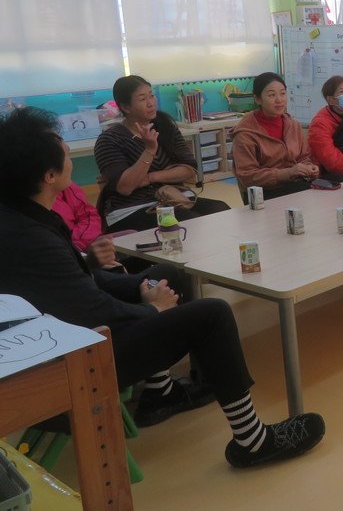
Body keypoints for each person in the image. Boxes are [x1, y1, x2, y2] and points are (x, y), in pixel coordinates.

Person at [0, 107, 325, 467]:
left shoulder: (21, 216)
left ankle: (161, 393)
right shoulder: (33, 239)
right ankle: (252, 440)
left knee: (170, 273)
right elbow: (92, 309)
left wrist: (98, 267)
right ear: (49, 175)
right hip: (79, 358)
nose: (70, 158)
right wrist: (151, 309)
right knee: (212, 314)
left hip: (70, 331)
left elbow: (73, 284)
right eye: (64, 152)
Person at [94, 76, 229, 232]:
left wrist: (150, 177)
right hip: (131, 208)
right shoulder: (109, 139)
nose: (151, 102)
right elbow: (125, 187)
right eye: (142, 99)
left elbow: (190, 169)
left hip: (174, 197)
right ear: (126, 107)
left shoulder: (164, 125)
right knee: (188, 222)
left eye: (151, 96)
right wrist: (149, 150)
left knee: (220, 209)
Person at [231, 72, 319, 200]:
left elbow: (304, 157)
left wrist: (309, 168)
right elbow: (247, 176)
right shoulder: (245, 134)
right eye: (272, 95)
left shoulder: (293, 125)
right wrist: (287, 173)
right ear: (258, 99)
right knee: (309, 195)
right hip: (263, 193)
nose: (279, 100)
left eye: (282, 93)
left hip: (296, 184)